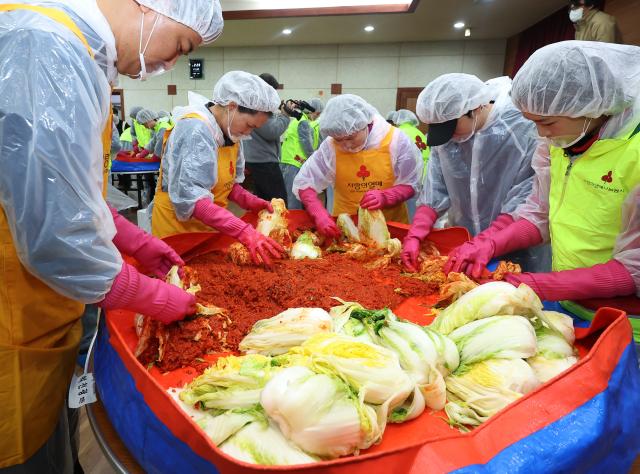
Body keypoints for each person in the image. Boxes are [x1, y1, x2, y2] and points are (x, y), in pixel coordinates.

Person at [0, 0, 223, 470]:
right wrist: (148, 295)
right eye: (180, 45)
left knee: (54, 437)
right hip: (11, 316)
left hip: (41, 309)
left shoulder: (79, 54)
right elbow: (55, 236)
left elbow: (68, 194)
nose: (169, 63)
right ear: (149, 7)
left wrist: (133, 239)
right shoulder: (47, 45)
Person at [446, 41, 640, 335]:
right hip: (570, 303)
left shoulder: (634, 152)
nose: (540, 132)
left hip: (627, 321)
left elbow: (634, 269)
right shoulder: (558, 143)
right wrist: (490, 243)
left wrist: (539, 284)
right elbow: (540, 213)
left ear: (590, 105)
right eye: (533, 122)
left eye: (546, 122)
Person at [401, 73, 549, 274]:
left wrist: (487, 241)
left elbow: (526, 198)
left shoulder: (520, 129)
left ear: (476, 107)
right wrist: (416, 233)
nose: (449, 135)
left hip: (517, 244)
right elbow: (435, 190)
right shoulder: (447, 140)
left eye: (452, 126)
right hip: (466, 243)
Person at [151, 71, 284, 267]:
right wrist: (243, 231)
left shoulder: (232, 134)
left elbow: (227, 185)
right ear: (232, 107)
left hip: (209, 232)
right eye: (249, 125)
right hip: (178, 235)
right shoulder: (195, 130)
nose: (249, 132)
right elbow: (193, 199)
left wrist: (251, 202)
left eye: (254, 129)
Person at [293, 94, 422, 237]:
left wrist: (387, 196)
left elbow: (411, 184)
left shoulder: (396, 140)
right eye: (338, 140)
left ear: (365, 124)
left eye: (350, 137)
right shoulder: (330, 147)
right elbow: (304, 183)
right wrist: (318, 212)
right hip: (347, 228)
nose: (345, 145)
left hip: (390, 228)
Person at [242, 72, 291, 202]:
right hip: (264, 161)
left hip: (257, 159)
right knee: (279, 201)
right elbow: (272, 131)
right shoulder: (258, 105)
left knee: (264, 200)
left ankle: (265, 222)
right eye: (272, 91)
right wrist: (285, 116)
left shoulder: (254, 103)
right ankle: (277, 222)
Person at [280, 98, 324, 209]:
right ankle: (295, 224)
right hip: (294, 163)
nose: (317, 117)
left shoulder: (298, 120)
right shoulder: (303, 122)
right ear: (315, 112)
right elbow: (306, 144)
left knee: (293, 195)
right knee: (294, 198)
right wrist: (314, 160)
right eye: (318, 114)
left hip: (290, 161)